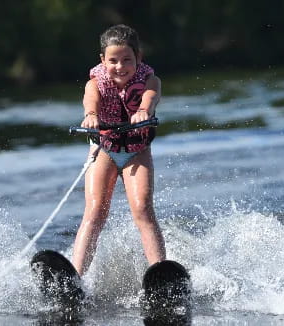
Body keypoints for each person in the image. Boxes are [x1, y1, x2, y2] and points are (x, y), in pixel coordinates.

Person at [72, 24, 166, 276]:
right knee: (94, 213)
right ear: (103, 60)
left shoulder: (150, 80)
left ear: (139, 58)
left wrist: (144, 111)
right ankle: (76, 278)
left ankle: (160, 274)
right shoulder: (95, 83)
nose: (120, 66)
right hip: (105, 150)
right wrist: (90, 115)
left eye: (127, 59)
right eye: (113, 60)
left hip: (137, 151)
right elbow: (89, 100)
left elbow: (150, 97)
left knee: (143, 210)